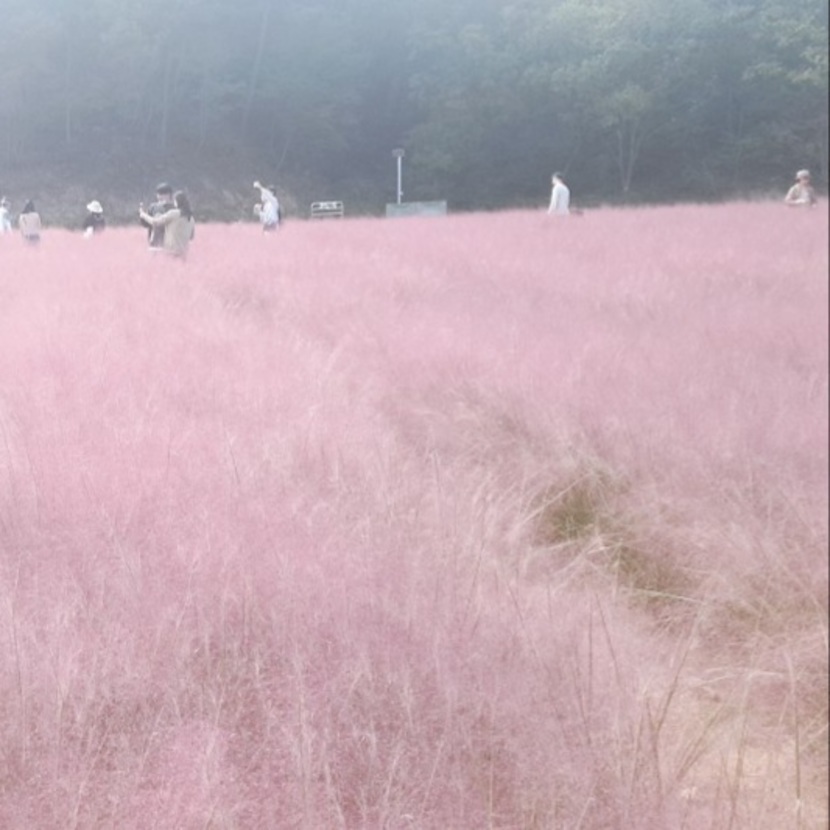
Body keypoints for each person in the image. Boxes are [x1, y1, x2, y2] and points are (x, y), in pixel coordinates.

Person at [138, 190, 196, 259]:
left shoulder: (173, 214)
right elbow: (191, 237)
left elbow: (155, 222)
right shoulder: (191, 218)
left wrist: (143, 215)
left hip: (170, 251)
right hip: (183, 253)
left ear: (177, 202)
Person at [140, 182, 176, 247]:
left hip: (170, 241)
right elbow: (146, 224)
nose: (161, 196)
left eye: (164, 194)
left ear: (170, 195)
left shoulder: (174, 208)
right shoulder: (153, 207)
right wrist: (142, 216)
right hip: (154, 242)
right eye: (159, 194)